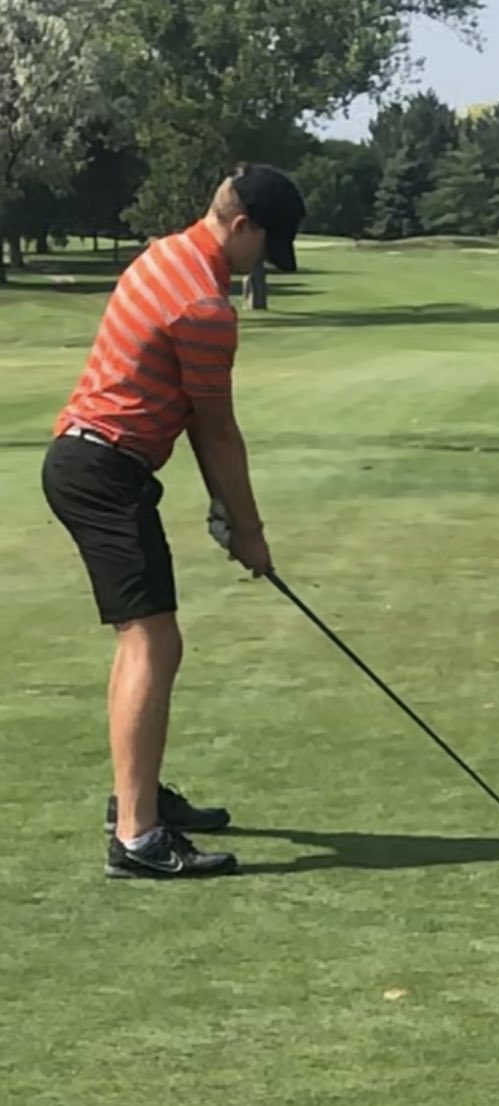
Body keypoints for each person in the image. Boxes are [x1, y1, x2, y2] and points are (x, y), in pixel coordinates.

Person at [41, 163, 306, 879]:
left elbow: (188, 416)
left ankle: (138, 792)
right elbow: (217, 430)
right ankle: (137, 838)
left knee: (153, 640)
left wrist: (227, 509)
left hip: (90, 462)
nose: (262, 264)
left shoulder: (164, 254)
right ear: (242, 225)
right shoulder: (203, 307)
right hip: (103, 471)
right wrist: (249, 531)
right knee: (152, 641)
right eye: (266, 246)